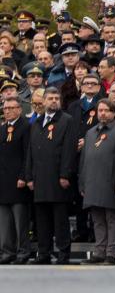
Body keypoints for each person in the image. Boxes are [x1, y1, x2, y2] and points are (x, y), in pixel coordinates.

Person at [25, 87, 77, 265]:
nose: (54, 101)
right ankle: (44, 254)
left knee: (60, 221)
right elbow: (31, 152)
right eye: (50, 98)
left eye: (57, 98)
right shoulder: (37, 122)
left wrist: (65, 174)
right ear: (44, 101)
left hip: (58, 179)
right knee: (42, 221)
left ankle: (63, 254)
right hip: (39, 180)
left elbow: (69, 150)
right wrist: (29, 177)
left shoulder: (67, 120)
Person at [78, 99, 115, 264]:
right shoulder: (91, 132)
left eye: (106, 110)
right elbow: (84, 160)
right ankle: (99, 251)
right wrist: (82, 182)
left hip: (111, 181)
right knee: (97, 219)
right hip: (92, 182)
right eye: (100, 110)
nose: (102, 113)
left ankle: (111, 252)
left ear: (113, 112)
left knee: (112, 219)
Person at [0, 96, 31, 264]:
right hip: (3, 183)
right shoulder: (2, 128)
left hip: (19, 183)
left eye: (12, 108)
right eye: (5, 108)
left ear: (20, 109)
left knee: (20, 222)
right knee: (4, 223)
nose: (8, 111)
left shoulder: (26, 127)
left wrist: (23, 176)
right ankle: (7, 252)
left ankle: (23, 252)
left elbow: (28, 155)